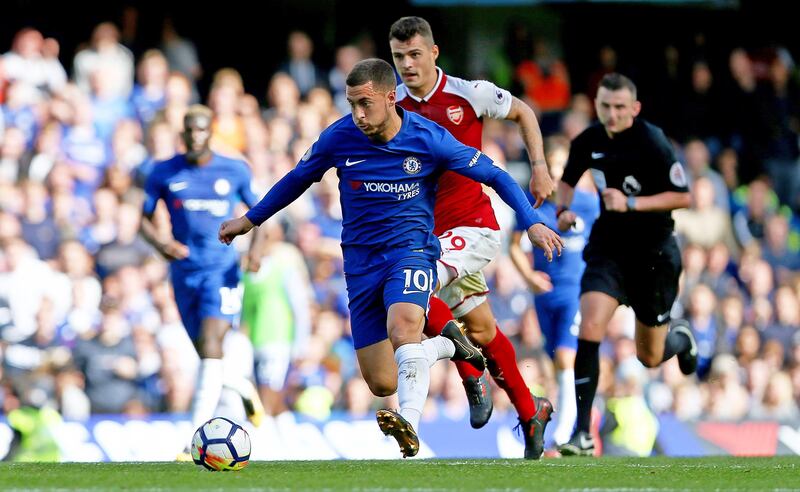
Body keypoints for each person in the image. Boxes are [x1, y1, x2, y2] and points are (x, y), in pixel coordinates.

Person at [218, 58, 563, 458]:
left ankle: (410, 426)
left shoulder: (428, 138)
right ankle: (454, 347)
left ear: (390, 97)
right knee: (382, 382)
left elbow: (496, 175)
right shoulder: (339, 137)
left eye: (365, 103)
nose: (358, 114)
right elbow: (297, 179)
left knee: (404, 326)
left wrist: (533, 221)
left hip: (411, 252)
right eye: (351, 104)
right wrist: (249, 220)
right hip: (361, 265)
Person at [388, 16, 556, 459]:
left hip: (471, 227)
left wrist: (538, 166)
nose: (407, 64)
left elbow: (525, 111)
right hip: (427, 234)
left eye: (414, 55)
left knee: (412, 289)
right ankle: (530, 408)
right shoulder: (394, 105)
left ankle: (468, 373)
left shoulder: (470, 93)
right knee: (481, 328)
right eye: (399, 57)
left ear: (434, 53)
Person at [555, 73, 698, 457]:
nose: (612, 114)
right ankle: (582, 432)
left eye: (620, 107)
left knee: (649, 357)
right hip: (609, 248)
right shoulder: (588, 140)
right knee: (590, 324)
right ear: (597, 105)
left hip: (653, 255)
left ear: (634, 108)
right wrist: (563, 209)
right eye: (605, 106)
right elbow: (567, 180)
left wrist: (632, 204)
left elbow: (683, 196)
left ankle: (680, 338)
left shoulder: (652, 140)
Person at [139, 104, 265, 460]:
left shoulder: (235, 170)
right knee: (206, 355)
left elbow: (260, 213)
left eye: (201, 130)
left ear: (211, 132)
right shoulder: (163, 172)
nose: (196, 136)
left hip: (222, 271)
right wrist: (161, 243)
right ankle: (240, 387)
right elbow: (143, 220)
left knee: (212, 344)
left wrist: (255, 250)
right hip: (183, 273)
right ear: (183, 134)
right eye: (190, 131)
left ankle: (192, 439)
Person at [508, 141, 599, 450]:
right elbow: (513, 246)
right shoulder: (534, 205)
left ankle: (566, 432)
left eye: (564, 166)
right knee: (553, 363)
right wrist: (529, 276)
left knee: (564, 357)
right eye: (554, 165)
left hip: (576, 292)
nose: (559, 172)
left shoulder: (588, 203)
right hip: (545, 296)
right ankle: (571, 420)